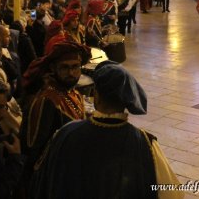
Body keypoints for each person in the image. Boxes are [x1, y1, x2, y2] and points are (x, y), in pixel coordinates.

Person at [32, 61, 181, 198]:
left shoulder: (65, 134)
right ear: (126, 101)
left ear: (96, 96)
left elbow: (45, 182)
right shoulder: (145, 143)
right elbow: (173, 194)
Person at [20, 41, 91, 185]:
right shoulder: (47, 100)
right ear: (53, 68)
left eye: (75, 67)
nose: (71, 73)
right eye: (64, 67)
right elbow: (33, 150)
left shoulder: (74, 93)